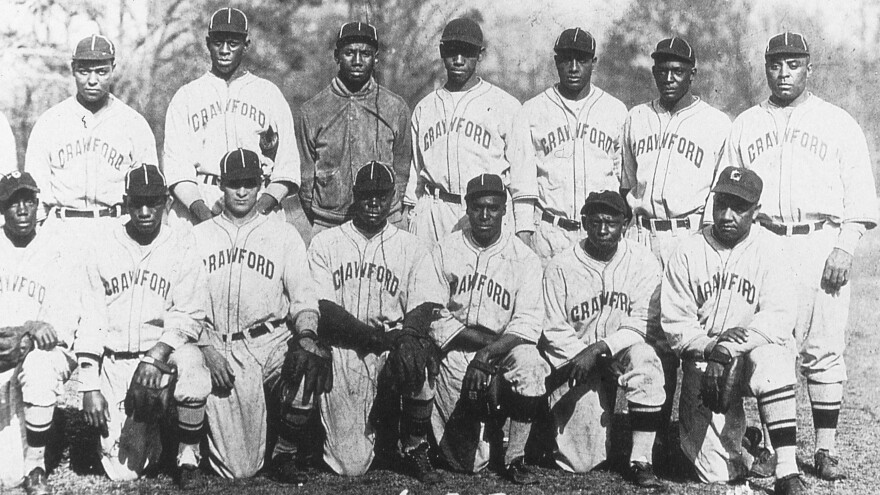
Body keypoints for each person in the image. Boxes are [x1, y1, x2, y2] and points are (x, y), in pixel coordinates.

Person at [721, 31, 879, 483]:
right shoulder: (745, 124)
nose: (784, 72)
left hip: (820, 239)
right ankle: (774, 446)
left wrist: (844, 246)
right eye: (776, 64)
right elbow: (727, 193)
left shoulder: (837, 121)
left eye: (793, 64)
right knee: (773, 347)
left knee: (824, 348)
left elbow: (861, 197)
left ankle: (825, 450)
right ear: (766, 67)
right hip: (766, 241)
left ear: (809, 68)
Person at [663, 167, 806, 494]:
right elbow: (676, 324)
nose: (727, 215)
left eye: (739, 207)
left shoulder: (772, 248)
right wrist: (711, 347)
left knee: (775, 359)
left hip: (752, 354)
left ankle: (786, 470)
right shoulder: (687, 251)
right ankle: (746, 442)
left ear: (756, 211)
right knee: (718, 473)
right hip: (705, 362)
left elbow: (779, 317)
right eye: (721, 204)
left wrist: (731, 349)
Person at [75, 164, 212, 488]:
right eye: (138, 203)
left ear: (166, 201)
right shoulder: (102, 245)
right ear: (126, 202)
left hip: (163, 358)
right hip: (117, 361)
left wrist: (156, 355)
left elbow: (191, 311)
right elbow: (91, 318)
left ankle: (188, 454)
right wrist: (89, 386)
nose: (146, 211)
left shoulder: (181, 243)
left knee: (192, 362)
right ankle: (160, 435)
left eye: (153, 202)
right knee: (126, 470)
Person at [408, 173, 549, 484]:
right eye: (478, 208)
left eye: (493, 208)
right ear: (466, 208)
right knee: (466, 465)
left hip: (500, 353)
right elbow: (428, 310)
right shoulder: (446, 249)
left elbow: (527, 322)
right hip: (453, 351)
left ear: (504, 209)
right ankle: (416, 446)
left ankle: (515, 456)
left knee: (532, 364)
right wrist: (478, 345)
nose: (485, 215)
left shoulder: (523, 258)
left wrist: (487, 354)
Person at [192, 148, 320, 482]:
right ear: (221, 185)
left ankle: (286, 452)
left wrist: (306, 337)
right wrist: (207, 349)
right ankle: (207, 436)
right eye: (234, 183)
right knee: (239, 470)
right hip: (223, 347)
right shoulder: (198, 236)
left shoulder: (283, 233)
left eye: (250, 183)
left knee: (307, 367)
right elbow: (183, 303)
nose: (242, 191)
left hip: (272, 340)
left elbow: (304, 296)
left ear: (261, 184)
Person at [307, 161, 438, 481]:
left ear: (393, 196)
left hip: (392, 346)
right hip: (345, 349)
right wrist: (378, 339)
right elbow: (324, 308)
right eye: (367, 195)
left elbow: (424, 304)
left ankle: (414, 445)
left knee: (417, 355)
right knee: (350, 466)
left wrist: (409, 339)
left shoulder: (411, 245)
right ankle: (376, 441)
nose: (374, 202)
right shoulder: (326, 242)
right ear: (355, 196)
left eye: (381, 195)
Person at [539, 190, 667, 489]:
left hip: (620, 351)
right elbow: (553, 329)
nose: (603, 229)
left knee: (646, 360)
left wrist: (602, 350)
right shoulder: (561, 265)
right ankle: (546, 428)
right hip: (576, 360)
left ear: (625, 224)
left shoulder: (643, 260)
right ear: (583, 222)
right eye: (595, 221)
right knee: (580, 464)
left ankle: (641, 459)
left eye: (611, 221)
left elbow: (645, 321)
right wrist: (591, 357)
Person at [0, 171, 95, 494]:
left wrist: (28, 335)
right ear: (2, 208)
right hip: (2, 356)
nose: (23, 209)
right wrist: (25, 327)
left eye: (28, 200)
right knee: (4, 475)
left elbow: (59, 323)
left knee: (39, 365)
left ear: (39, 203)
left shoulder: (58, 247)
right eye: (13, 202)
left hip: (41, 354)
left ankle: (36, 465)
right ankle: (37, 440)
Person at [163, 7, 299, 227]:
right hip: (201, 202)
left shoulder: (268, 94)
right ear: (208, 44)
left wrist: (257, 210)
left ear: (246, 45)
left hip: (257, 202)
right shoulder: (187, 96)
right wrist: (205, 215)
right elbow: (176, 168)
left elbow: (287, 166)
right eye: (218, 42)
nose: (224, 50)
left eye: (233, 43)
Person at [509, 28, 627, 264]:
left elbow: (621, 178)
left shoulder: (615, 110)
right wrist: (524, 234)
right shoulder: (532, 110)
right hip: (549, 232)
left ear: (593, 62)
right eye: (566, 59)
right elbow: (523, 183)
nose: (573, 67)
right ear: (556, 61)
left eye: (581, 60)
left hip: (597, 234)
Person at [24, 34, 158, 239]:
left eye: (101, 72)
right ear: (73, 70)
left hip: (116, 229)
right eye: (84, 72)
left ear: (113, 68)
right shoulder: (50, 122)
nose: (92, 80)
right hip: (62, 229)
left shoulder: (133, 123)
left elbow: (150, 191)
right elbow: (35, 190)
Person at [404, 18, 521, 245]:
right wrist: (410, 213)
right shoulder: (425, 107)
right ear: (441, 51)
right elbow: (413, 174)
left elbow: (521, 179)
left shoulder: (506, 105)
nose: (458, 60)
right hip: (433, 211)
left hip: (483, 214)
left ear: (480, 54)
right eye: (452, 52)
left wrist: (522, 228)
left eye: (467, 52)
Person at [621, 36, 730, 267]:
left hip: (688, 235)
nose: (669, 79)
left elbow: (718, 193)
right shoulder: (637, 117)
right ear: (654, 72)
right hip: (639, 235)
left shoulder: (716, 123)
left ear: (692, 74)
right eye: (662, 72)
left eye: (678, 71)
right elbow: (627, 184)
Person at [297, 22, 412, 241]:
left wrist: (390, 209)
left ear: (376, 58)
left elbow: (402, 167)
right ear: (336, 56)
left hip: (384, 223)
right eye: (349, 53)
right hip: (329, 223)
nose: (357, 61)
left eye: (365, 54)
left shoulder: (394, 107)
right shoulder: (312, 110)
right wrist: (323, 215)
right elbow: (305, 177)